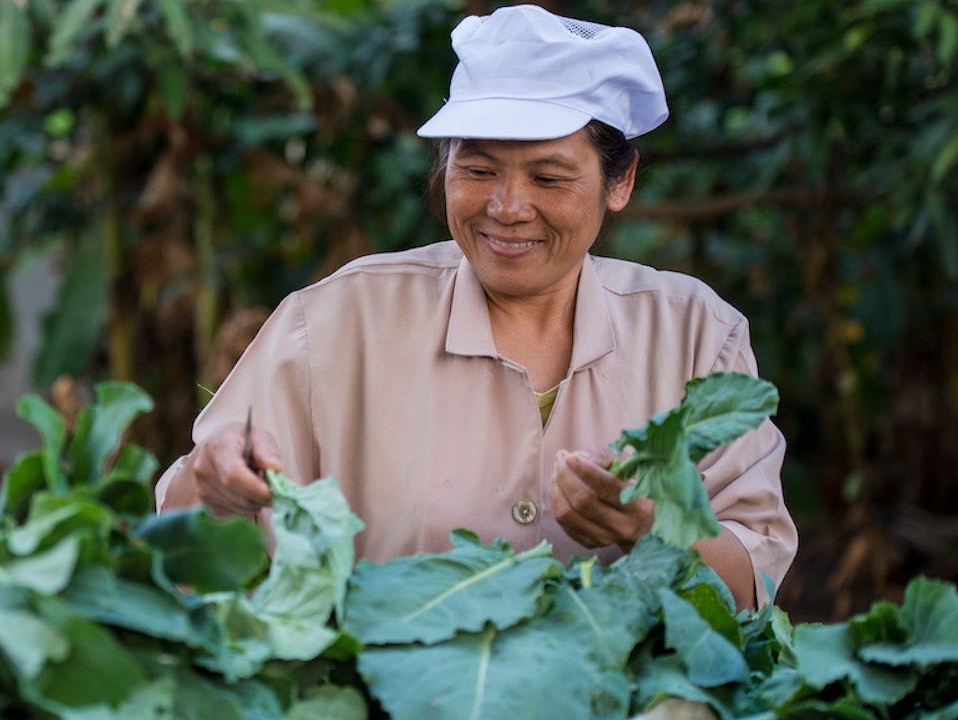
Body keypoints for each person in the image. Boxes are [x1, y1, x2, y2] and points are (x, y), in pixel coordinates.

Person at [156, 4, 797, 610]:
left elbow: (752, 581)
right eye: (479, 170)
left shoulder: (693, 335)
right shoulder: (336, 322)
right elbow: (189, 538)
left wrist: (653, 530)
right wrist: (215, 491)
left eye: (549, 177)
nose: (507, 207)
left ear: (621, 181)